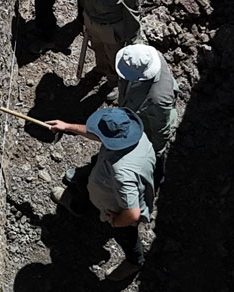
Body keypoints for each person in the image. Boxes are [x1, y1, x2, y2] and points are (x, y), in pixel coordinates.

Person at [51, 107, 156, 281]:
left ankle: (134, 262)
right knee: (86, 181)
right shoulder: (135, 135)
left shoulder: (122, 174)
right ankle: (78, 207)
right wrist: (67, 126)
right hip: (103, 179)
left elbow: (132, 213)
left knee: (126, 235)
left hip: (116, 206)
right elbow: (97, 134)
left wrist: (116, 221)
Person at [45, 44, 179, 164]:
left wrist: (154, 153)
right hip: (133, 106)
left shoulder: (159, 99)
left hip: (147, 119)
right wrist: (67, 126)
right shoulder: (144, 56)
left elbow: (161, 129)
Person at [81, 0, 141, 94]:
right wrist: (133, 37)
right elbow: (132, 14)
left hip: (96, 23)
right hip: (108, 29)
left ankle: (108, 76)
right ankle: (107, 74)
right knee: (108, 52)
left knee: (105, 51)